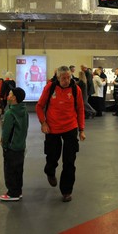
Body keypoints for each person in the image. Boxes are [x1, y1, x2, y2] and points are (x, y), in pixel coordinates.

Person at [36, 66, 85, 202]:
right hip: (52, 128)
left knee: (69, 161)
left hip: (70, 127)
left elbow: (80, 109)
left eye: (69, 77)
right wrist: (43, 123)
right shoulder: (50, 88)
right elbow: (39, 106)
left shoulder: (76, 89)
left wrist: (81, 129)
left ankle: (66, 191)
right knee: (52, 156)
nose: (67, 80)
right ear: (58, 78)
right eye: (63, 78)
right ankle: (50, 172)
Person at [0, 87, 29, 201]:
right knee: (18, 170)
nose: (8, 96)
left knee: (9, 170)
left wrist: (4, 144)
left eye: (10, 94)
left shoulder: (10, 113)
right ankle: (18, 190)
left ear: (14, 97)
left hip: (11, 147)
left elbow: (6, 132)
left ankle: (12, 193)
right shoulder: (24, 111)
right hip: (21, 145)